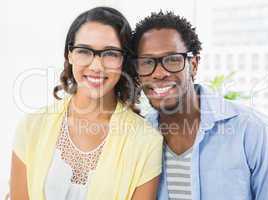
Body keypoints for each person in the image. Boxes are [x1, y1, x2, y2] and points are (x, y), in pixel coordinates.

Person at [131, 11, 268, 200]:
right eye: (147, 62)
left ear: (193, 64)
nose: (159, 73)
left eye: (172, 59)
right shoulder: (139, 137)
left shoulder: (254, 130)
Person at [10, 7, 163, 200]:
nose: (96, 66)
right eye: (84, 51)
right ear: (69, 55)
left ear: (123, 61)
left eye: (110, 53)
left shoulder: (147, 141)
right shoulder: (31, 126)